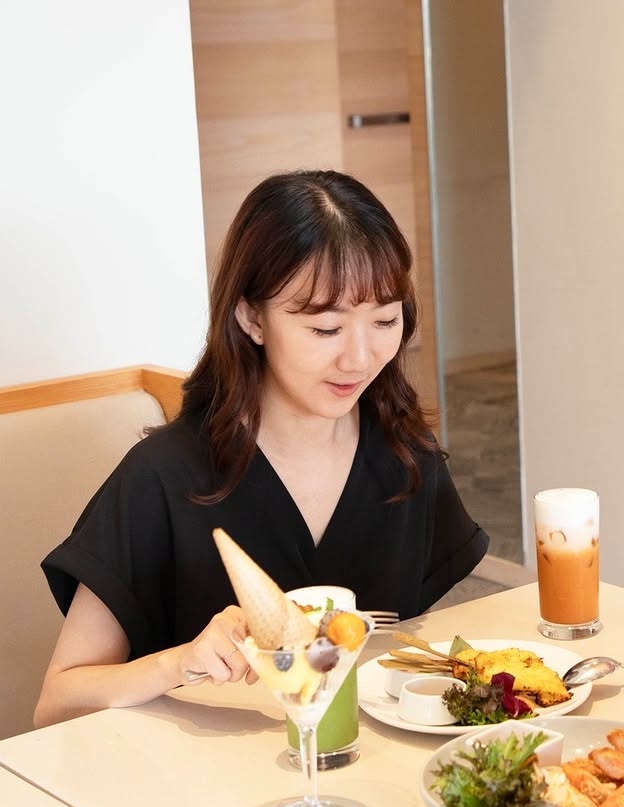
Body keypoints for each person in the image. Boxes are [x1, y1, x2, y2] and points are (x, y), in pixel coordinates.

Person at [36, 170, 488, 728]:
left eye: (385, 320)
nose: (360, 358)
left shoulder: (404, 457)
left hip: (359, 792)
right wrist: (180, 662)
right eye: (325, 330)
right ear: (251, 317)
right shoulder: (164, 479)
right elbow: (54, 702)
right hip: (195, 798)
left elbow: (405, 660)